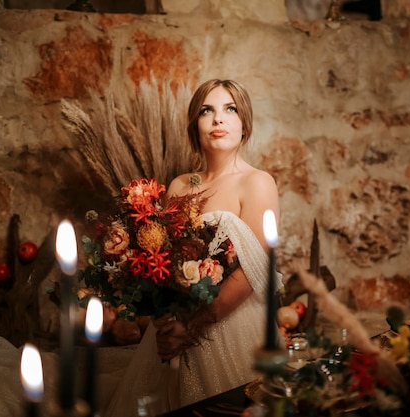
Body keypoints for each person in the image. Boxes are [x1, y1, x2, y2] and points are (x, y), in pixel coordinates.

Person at [103, 79, 282, 416]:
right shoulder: (180, 185)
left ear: (245, 124)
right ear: (194, 126)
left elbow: (254, 271)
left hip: (235, 327)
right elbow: (163, 265)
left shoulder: (257, 182)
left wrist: (192, 328)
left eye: (230, 109)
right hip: (175, 324)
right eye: (206, 111)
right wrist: (167, 324)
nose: (218, 119)